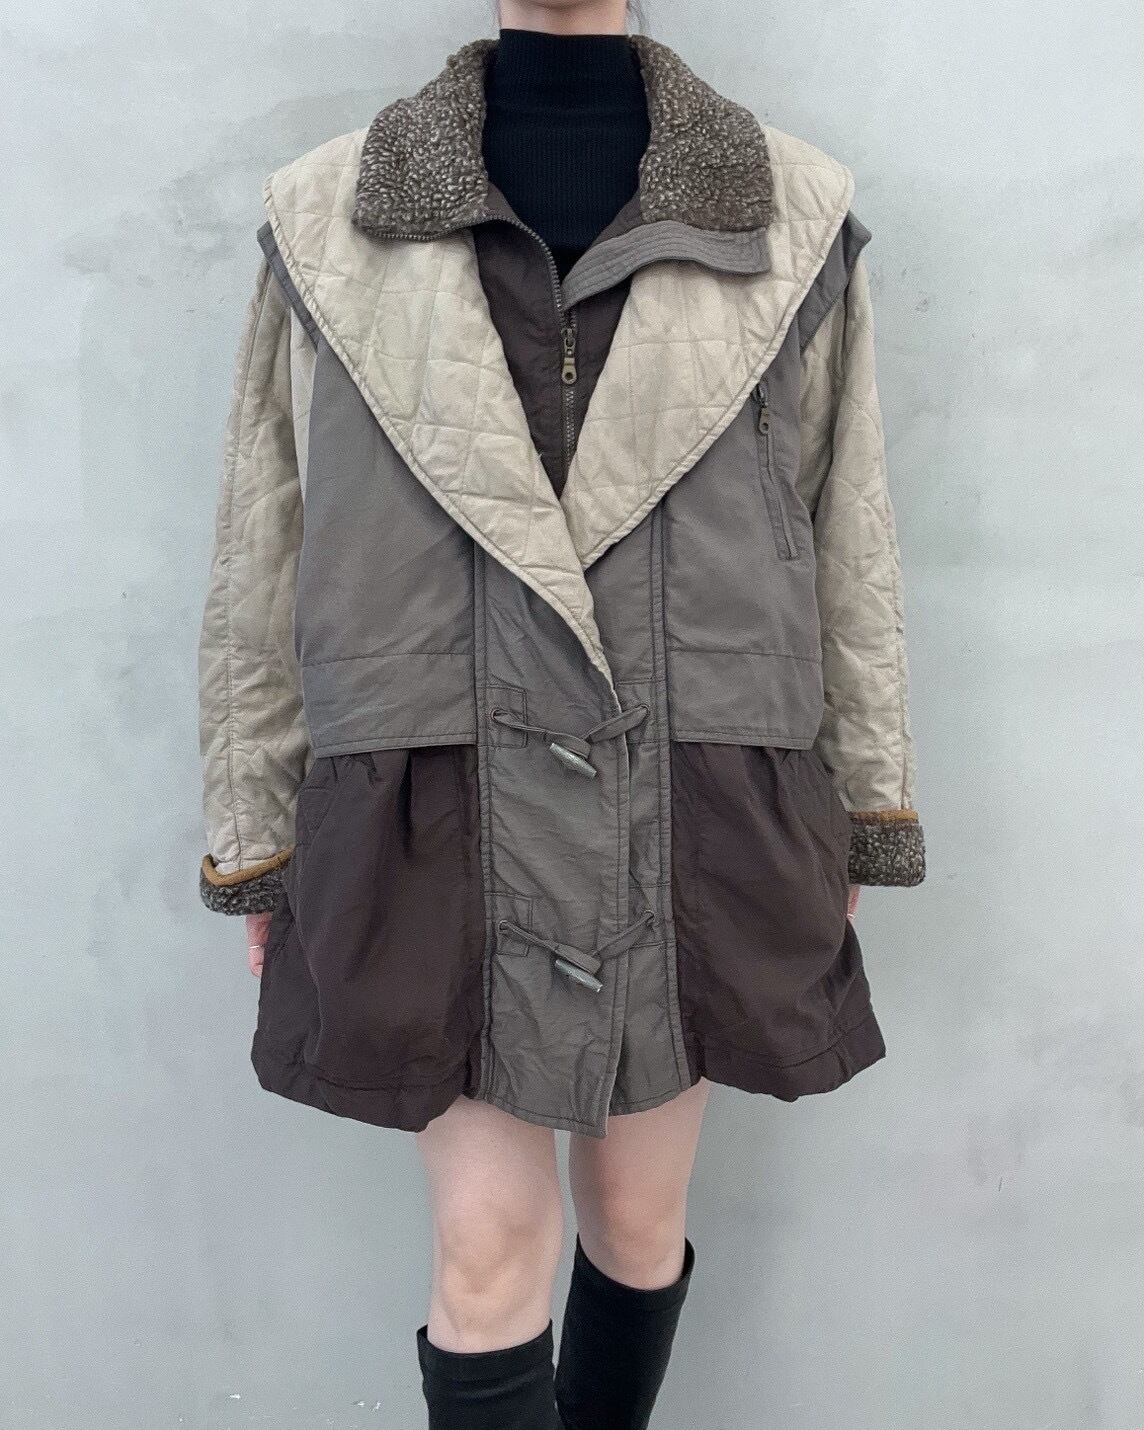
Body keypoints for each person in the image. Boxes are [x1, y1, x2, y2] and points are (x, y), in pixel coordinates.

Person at [195, 1, 927, 1424]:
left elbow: (853, 537)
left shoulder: (789, 211)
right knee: (487, 1250)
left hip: (699, 800)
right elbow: (260, 549)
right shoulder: (327, 217)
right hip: (431, 799)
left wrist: (865, 801)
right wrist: (257, 830)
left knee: (637, 1225)